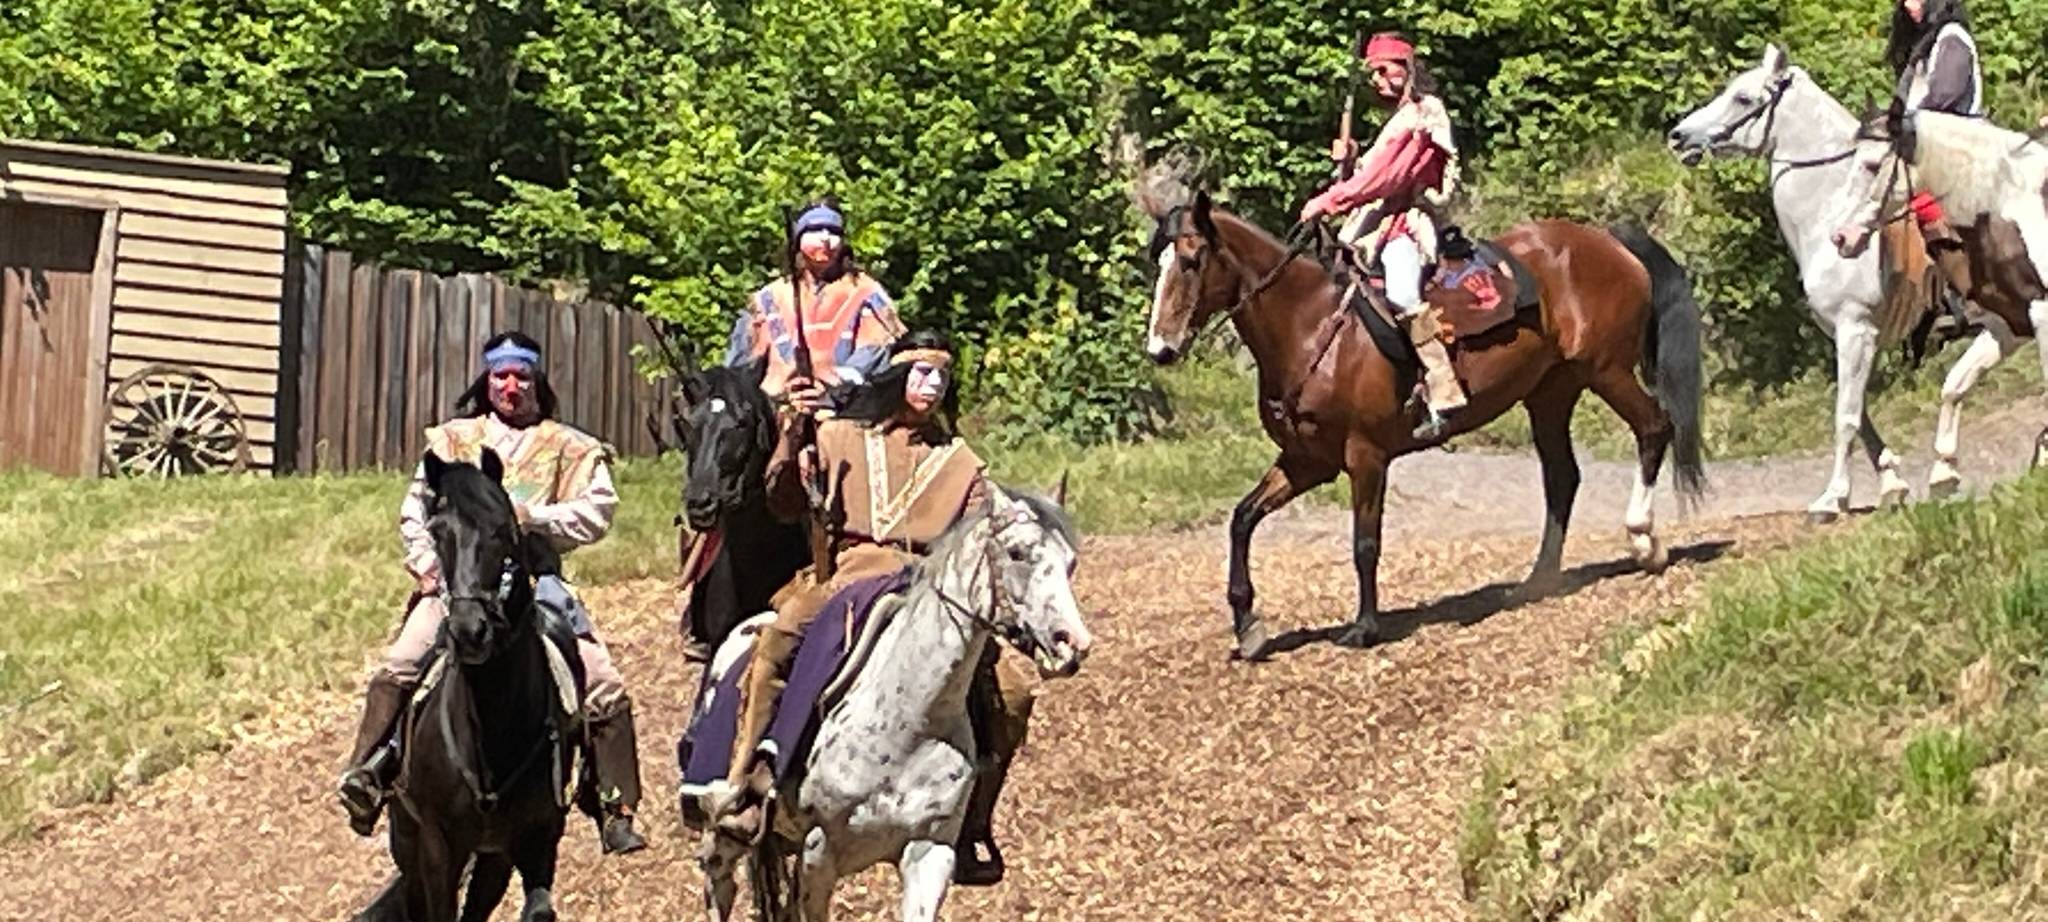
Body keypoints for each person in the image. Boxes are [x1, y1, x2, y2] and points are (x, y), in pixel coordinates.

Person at [706, 331, 1038, 886]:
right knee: (781, 638)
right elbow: (783, 501)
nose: (932, 384)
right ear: (896, 377)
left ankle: (974, 821)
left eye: (941, 375)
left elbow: (982, 532)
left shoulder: (961, 463)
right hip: (850, 572)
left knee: (1013, 691)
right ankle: (751, 781)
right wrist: (793, 437)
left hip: (933, 587)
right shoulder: (840, 436)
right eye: (921, 372)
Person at [338, 331, 649, 855]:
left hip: (536, 583)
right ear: (487, 380)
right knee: (401, 663)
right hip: (459, 586)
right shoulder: (451, 443)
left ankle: (613, 804)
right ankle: (368, 771)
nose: (511, 387)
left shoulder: (570, 447)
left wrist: (535, 518)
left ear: (536, 381)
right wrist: (428, 565)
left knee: (601, 681)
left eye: (521, 377)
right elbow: (416, 510)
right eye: (501, 376)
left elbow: (598, 512)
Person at [1299, 31, 1467, 440]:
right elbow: (1370, 175)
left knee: (1403, 293)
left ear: (1406, 69)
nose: (1377, 79)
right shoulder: (1397, 120)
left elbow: (1389, 177)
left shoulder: (1426, 113)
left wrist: (1330, 199)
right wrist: (1351, 159)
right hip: (1374, 227)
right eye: (1373, 72)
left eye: (1383, 69)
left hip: (1406, 225)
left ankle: (1441, 390)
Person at [725, 199, 907, 411]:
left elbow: (873, 354)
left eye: (832, 231)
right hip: (777, 412)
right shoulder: (769, 298)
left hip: (844, 411)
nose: (825, 239)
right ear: (798, 239)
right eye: (814, 230)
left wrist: (830, 389)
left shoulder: (866, 292)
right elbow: (740, 370)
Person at [1888, 0, 1984, 324]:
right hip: (1929, 144)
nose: (1909, 5)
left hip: (1960, 144)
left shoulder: (1952, 39)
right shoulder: (1923, 49)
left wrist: (1907, 125)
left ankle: (1962, 293)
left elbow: (1944, 96)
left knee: (1919, 198)